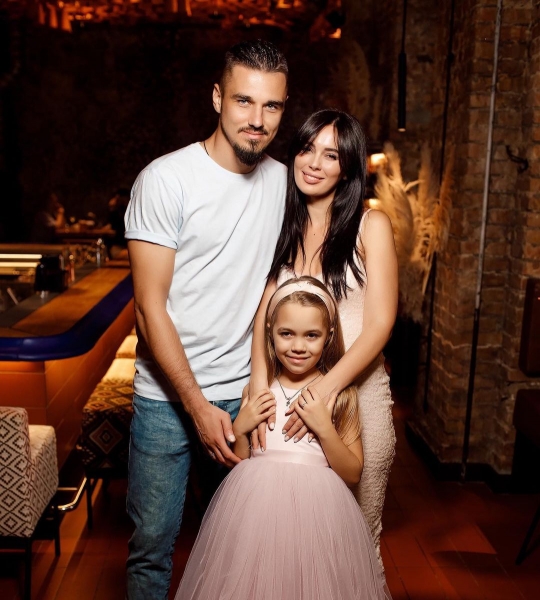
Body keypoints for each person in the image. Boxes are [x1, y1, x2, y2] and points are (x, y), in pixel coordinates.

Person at [123, 40, 289, 600]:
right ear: (217, 98)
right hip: (166, 400)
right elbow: (149, 309)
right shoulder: (165, 180)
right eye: (244, 101)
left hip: (245, 396)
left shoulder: (284, 183)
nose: (257, 119)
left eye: (271, 106)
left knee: (243, 548)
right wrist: (195, 406)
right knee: (152, 549)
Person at [175, 277, 392, 600]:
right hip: (257, 517)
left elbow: (353, 473)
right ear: (270, 333)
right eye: (286, 333)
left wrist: (324, 428)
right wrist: (241, 427)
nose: (298, 346)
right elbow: (241, 460)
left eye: (311, 335)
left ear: (329, 335)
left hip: (316, 519)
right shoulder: (258, 392)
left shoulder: (339, 396)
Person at [249, 109, 398, 562]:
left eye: (331, 155)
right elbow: (263, 318)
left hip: (357, 399)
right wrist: (258, 389)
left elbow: (380, 323)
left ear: (348, 168)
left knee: (355, 546)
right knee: (289, 549)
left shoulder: (371, 225)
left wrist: (327, 388)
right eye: (307, 149)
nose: (314, 163)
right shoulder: (284, 229)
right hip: (287, 402)